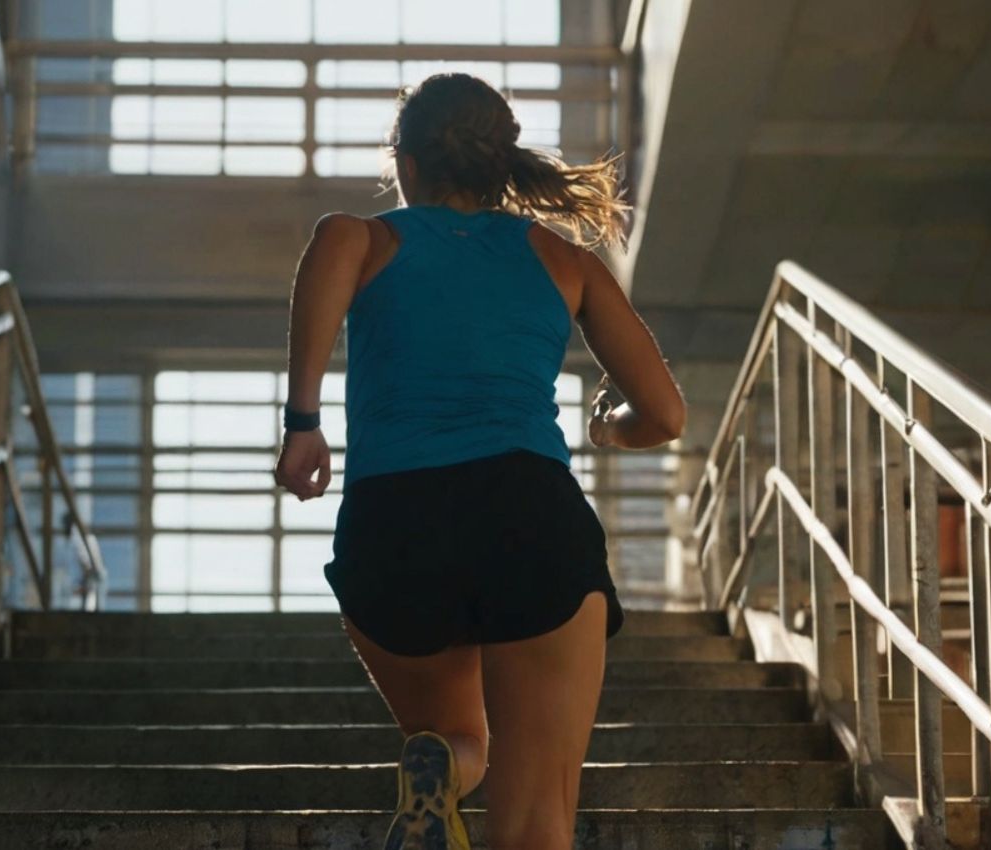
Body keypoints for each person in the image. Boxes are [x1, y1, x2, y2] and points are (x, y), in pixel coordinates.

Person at [273, 73, 686, 850]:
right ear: (504, 165)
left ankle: (446, 771)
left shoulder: (361, 238)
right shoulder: (564, 260)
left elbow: (329, 253)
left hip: (395, 522)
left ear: (408, 161)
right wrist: (608, 431)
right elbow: (663, 414)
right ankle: (458, 779)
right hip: (529, 514)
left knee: (458, 735)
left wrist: (304, 425)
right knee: (536, 822)